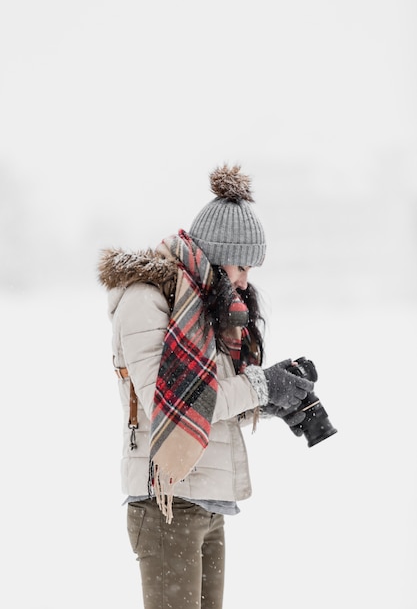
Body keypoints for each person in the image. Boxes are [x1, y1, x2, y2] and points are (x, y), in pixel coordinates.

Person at [98, 164, 314, 609]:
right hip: (166, 503)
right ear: (215, 254)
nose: (244, 282)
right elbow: (171, 397)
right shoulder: (148, 299)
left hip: (208, 501)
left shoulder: (205, 310)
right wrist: (259, 386)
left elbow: (216, 394)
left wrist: (279, 394)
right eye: (239, 267)